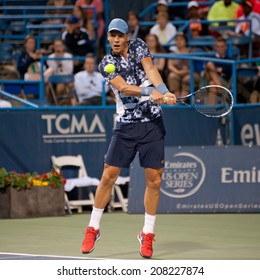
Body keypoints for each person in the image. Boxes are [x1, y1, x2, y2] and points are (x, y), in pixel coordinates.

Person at [81, 18, 176, 259]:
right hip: (126, 125)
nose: (115, 39)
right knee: (108, 175)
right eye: (111, 35)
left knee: (154, 181)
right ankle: (93, 228)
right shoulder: (106, 63)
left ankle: (147, 233)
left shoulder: (140, 46)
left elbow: (151, 70)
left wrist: (163, 92)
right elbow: (123, 88)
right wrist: (149, 92)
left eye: (119, 36)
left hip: (152, 123)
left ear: (127, 38)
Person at [167, 32, 201, 98]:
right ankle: (177, 101)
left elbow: (196, 66)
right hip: (177, 73)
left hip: (191, 73)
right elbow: (170, 65)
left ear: (185, 41)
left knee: (187, 79)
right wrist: (178, 72)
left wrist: (186, 72)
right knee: (172, 76)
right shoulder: (172, 53)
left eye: (181, 39)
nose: (179, 42)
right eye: (177, 40)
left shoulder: (192, 52)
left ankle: (182, 101)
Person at [46, 38, 74, 104]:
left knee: (60, 86)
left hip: (66, 79)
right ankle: (49, 105)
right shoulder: (50, 58)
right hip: (53, 79)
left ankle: (60, 104)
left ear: (63, 46)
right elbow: (51, 70)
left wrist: (60, 62)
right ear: (53, 47)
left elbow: (69, 71)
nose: (58, 48)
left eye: (59, 46)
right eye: (56, 46)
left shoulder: (69, 56)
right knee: (47, 87)